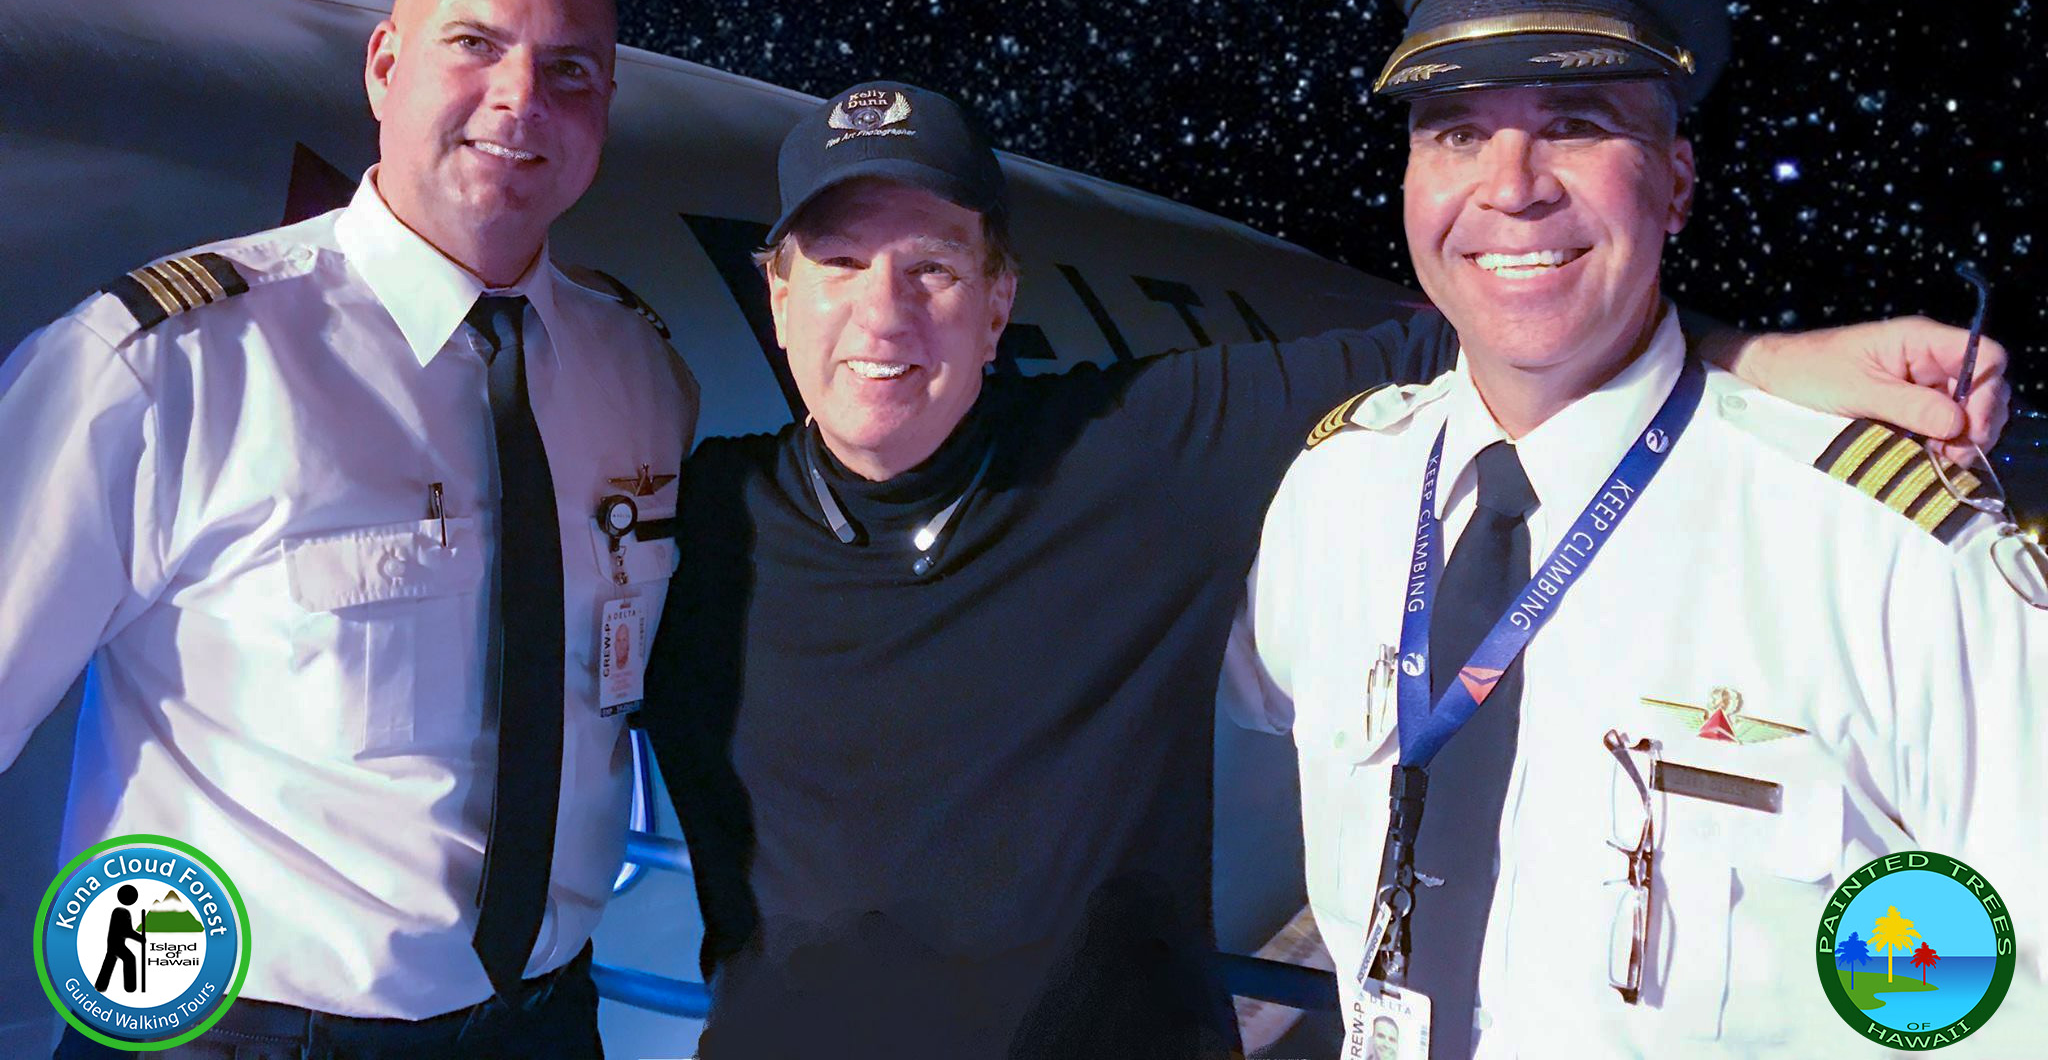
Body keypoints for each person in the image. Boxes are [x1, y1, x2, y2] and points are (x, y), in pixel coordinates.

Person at [648, 71, 2006, 1060]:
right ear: (776, 290)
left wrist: (1759, 359)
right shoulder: (695, 515)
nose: (882, 314)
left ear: (1000, 301)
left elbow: (1475, 332)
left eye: (935, 270)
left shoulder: (1131, 450)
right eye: (838, 263)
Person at [1238, 0, 2043, 1058]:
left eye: (1573, 123)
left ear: (1673, 183)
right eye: (1454, 131)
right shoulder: (1335, 496)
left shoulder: (1882, 547)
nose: (1509, 185)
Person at [0, 0, 700, 1059]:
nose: (520, 98)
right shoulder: (169, 365)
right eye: (474, 44)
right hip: (229, 1028)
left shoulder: (637, 373)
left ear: (604, 108)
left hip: (542, 1024)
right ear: (384, 66)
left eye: (569, 69)